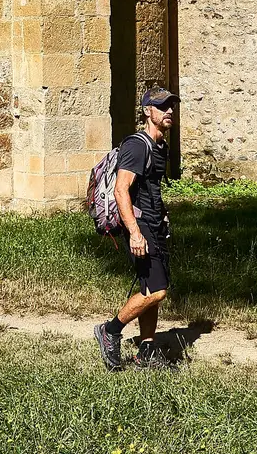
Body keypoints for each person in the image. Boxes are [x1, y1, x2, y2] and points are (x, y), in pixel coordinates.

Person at [93, 86, 178, 370]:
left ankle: (147, 349)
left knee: (150, 288)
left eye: (171, 106)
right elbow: (121, 191)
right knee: (157, 291)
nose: (169, 111)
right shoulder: (136, 145)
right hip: (140, 225)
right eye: (162, 106)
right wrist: (135, 232)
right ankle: (111, 330)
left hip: (154, 224)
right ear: (147, 111)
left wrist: (162, 218)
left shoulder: (160, 146)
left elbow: (151, 189)